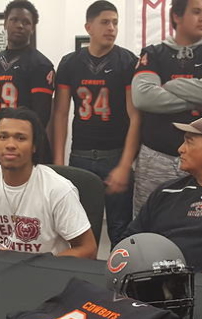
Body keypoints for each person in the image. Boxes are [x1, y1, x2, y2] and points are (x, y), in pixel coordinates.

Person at [130, 0, 202, 216]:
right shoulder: (153, 53)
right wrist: (201, 98)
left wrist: (171, 86)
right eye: (196, 12)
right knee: (149, 219)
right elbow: (143, 97)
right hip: (157, 156)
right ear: (177, 16)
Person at [52, 1, 140, 248]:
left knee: (120, 229)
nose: (111, 27)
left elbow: (135, 115)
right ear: (88, 27)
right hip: (79, 155)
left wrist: (125, 164)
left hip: (114, 155)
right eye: (105, 22)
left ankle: (118, 282)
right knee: (78, 230)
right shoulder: (70, 63)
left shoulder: (126, 61)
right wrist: (59, 163)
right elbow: (59, 113)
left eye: (115, 22)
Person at [0, 107, 97, 259]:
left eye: (20, 138)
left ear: (34, 146)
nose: (10, 145)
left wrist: (39, 266)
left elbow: (87, 248)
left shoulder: (58, 189)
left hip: (45, 273)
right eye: (3, 137)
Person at [122, 116, 202, 273]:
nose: (180, 149)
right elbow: (131, 241)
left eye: (189, 142)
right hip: (155, 282)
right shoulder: (166, 192)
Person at [0, 0, 55, 170]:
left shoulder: (40, 64)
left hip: (23, 145)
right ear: (5, 23)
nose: (19, 25)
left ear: (33, 28)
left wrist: (30, 146)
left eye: (26, 22)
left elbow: (41, 116)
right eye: (14, 20)